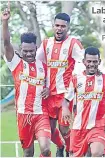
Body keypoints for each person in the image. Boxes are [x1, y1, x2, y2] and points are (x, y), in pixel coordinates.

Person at [2, 6, 51, 157]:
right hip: (23, 115)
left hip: (41, 114)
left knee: (46, 149)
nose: (29, 54)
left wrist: (48, 90)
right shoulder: (15, 63)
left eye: (31, 51)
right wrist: (5, 22)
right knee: (28, 153)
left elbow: (48, 86)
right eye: (25, 51)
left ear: (36, 49)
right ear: (21, 50)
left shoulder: (43, 67)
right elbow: (6, 43)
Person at [36, 12, 84, 156]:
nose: (59, 29)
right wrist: (43, 85)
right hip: (49, 95)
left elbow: (83, 63)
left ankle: (70, 150)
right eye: (57, 25)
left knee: (64, 129)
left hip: (65, 96)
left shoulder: (74, 43)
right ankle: (61, 145)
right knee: (49, 130)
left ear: (68, 28)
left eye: (63, 26)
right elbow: (38, 63)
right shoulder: (46, 43)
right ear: (53, 26)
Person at [61, 47, 105, 157]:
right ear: (84, 62)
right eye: (89, 61)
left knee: (96, 153)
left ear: (99, 62)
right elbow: (66, 100)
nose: (92, 64)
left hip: (97, 125)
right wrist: (64, 109)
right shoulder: (75, 79)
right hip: (78, 127)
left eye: (95, 61)